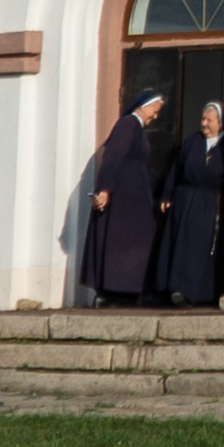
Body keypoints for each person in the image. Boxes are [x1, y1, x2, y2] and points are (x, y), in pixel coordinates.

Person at [79, 92, 172, 304]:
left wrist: (166, 187)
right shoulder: (128, 124)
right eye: (155, 111)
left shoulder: (136, 129)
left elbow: (141, 167)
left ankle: (125, 290)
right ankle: (115, 292)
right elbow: (113, 157)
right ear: (144, 107)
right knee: (123, 244)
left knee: (132, 243)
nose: (155, 117)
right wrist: (105, 189)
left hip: (133, 199)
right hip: (124, 199)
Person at [162, 99, 224, 309]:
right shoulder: (192, 142)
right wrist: (167, 195)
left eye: (209, 120)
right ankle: (181, 291)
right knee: (187, 249)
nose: (204, 124)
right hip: (189, 202)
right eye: (202, 119)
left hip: (218, 204)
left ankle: (211, 292)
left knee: (212, 251)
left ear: (221, 123)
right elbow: (176, 170)